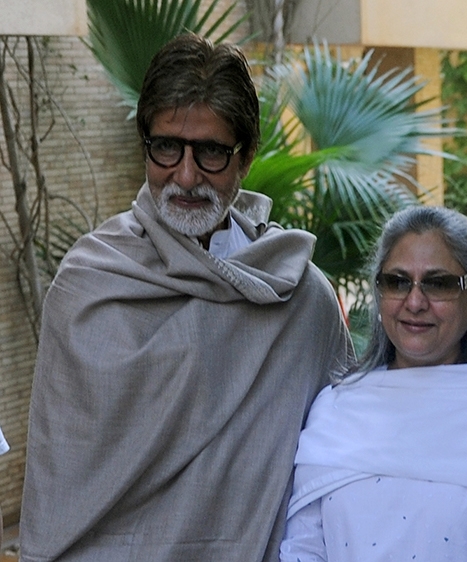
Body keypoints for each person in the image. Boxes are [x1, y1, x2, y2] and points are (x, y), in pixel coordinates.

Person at [20, 33, 354, 561]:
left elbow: (338, 457)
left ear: (245, 158)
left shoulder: (299, 298)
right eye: (167, 147)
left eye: (211, 152)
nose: (186, 174)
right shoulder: (89, 284)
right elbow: (60, 474)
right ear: (145, 145)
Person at [280, 205, 467, 562]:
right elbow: (303, 548)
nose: (415, 302)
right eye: (397, 282)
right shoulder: (334, 412)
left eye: (438, 284)